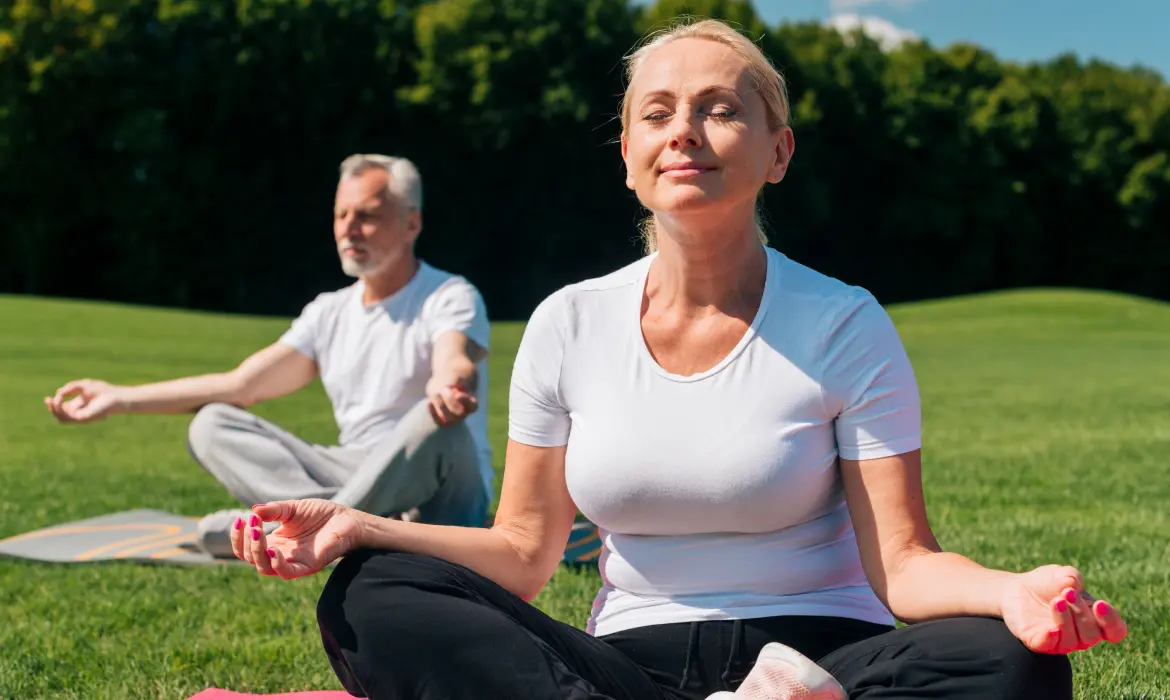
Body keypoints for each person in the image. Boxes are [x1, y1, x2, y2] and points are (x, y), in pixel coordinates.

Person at [228, 20, 1127, 700]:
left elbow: (903, 564)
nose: (685, 131)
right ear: (627, 157)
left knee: (1012, 661)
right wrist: (362, 528)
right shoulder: (569, 323)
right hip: (627, 662)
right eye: (656, 114)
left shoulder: (846, 325)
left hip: (822, 659)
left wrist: (1011, 592)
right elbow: (522, 551)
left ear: (778, 151)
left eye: (720, 109)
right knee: (378, 592)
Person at [44, 154, 494, 557]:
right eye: (341, 215)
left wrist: (450, 385)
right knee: (213, 422)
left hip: (440, 488)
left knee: (436, 422)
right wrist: (118, 397)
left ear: (411, 224)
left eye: (368, 216)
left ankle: (309, 530)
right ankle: (352, 527)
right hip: (354, 468)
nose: (349, 228)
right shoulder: (328, 312)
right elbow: (241, 385)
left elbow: (453, 359)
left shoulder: (448, 294)